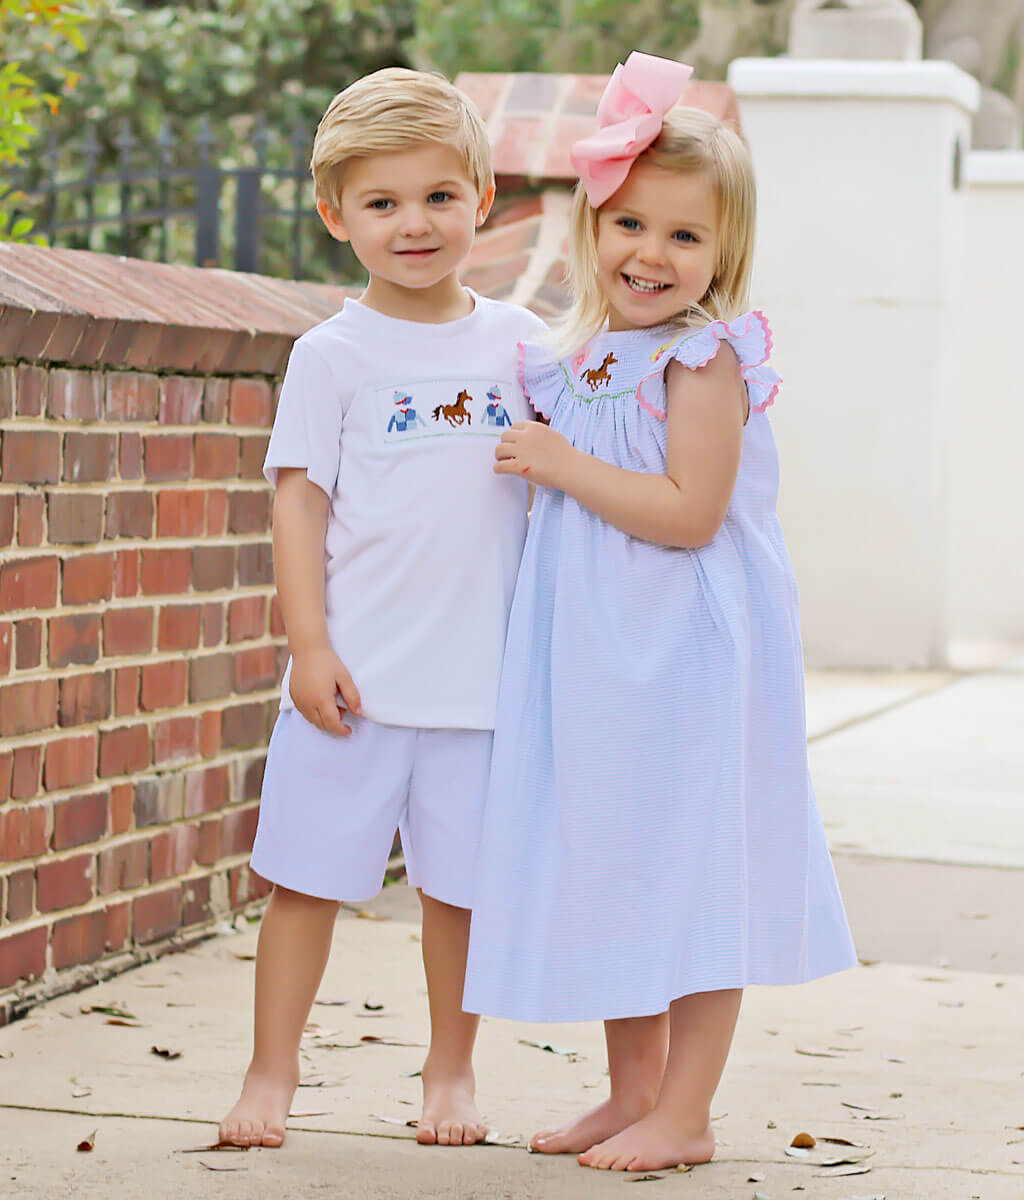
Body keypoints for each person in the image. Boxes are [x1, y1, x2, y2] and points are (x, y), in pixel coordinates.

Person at [462, 51, 857, 1173]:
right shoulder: (578, 359)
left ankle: (686, 1111)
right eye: (631, 223)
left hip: (682, 653)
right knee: (611, 857)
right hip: (590, 654)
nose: (653, 253)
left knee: (691, 865)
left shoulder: (704, 359)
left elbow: (690, 513)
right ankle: (631, 1088)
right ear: (593, 225)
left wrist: (554, 464)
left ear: (725, 252)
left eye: (686, 236)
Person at [216, 66, 548, 1151]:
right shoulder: (333, 355)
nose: (415, 223)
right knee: (305, 885)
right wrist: (307, 647)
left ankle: (450, 1073)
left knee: (458, 897)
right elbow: (298, 504)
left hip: (483, 686)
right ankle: (272, 1071)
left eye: (440, 197)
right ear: (335, 215)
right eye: (383, 203)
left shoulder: (523, 347)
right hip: (350, 685)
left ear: (482, 197)